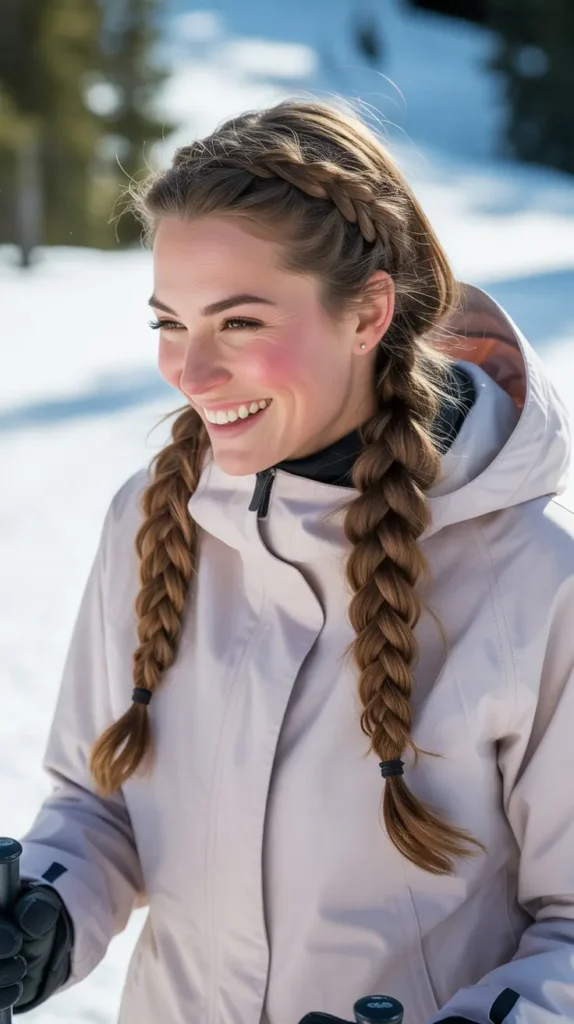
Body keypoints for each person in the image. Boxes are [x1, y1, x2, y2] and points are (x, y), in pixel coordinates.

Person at [0, 99, 573, 1024]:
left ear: (368, 312)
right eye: (170, 322)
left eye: (238, 323)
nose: (190, 372)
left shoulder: (540, 579)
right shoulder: (153, 522)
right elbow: (97, 805)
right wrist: (48, 913)